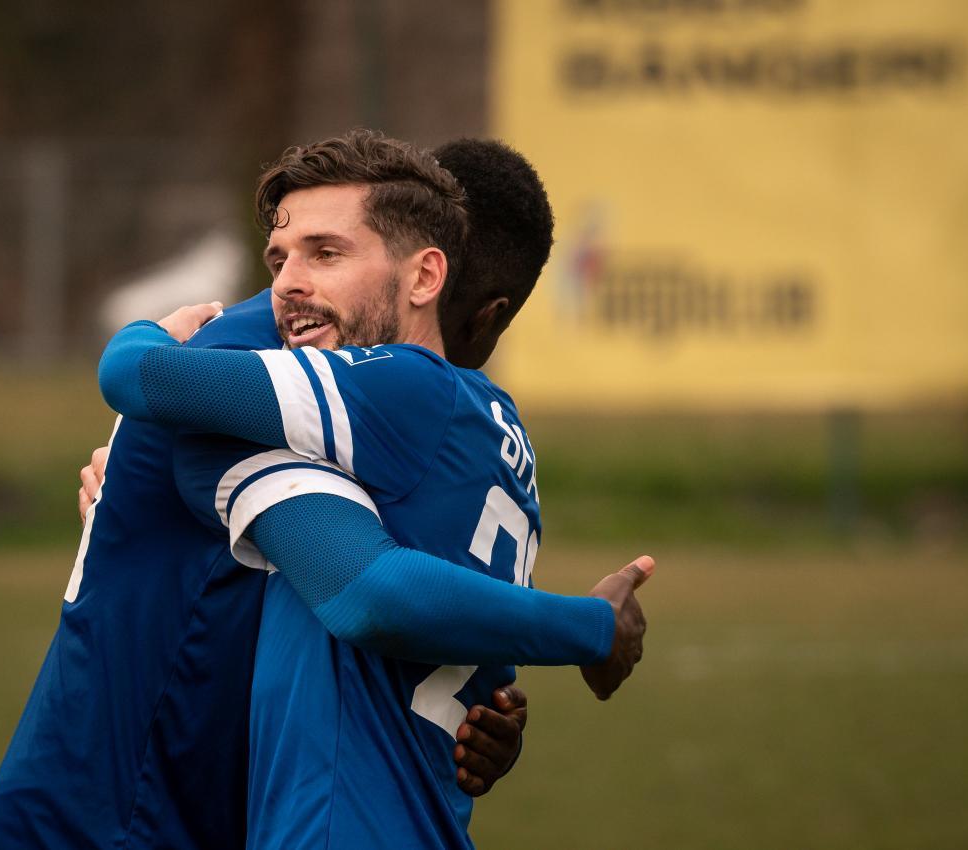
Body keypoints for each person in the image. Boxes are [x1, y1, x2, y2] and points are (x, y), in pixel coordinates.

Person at [95, 130, 652, 849]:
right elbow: (465, 659)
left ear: (426, 277)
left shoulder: (392, 382)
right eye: (279, 260)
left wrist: (150, 343)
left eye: (325, 253)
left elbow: (143, 382)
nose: (287, 285)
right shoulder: (503, 441)